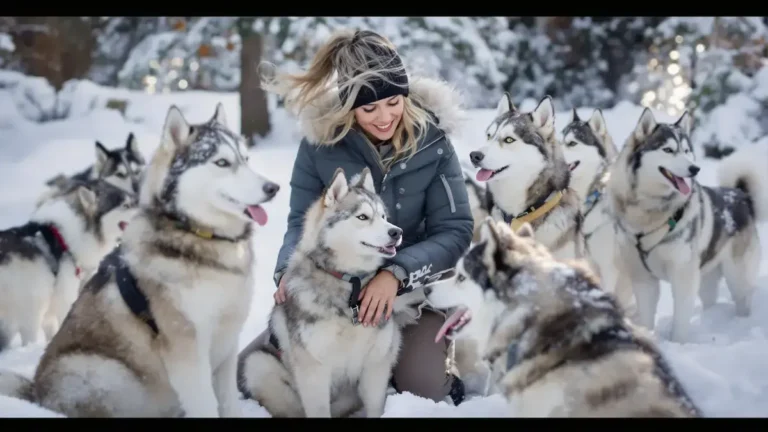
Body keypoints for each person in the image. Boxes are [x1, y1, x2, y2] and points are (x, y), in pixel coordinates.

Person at [248, 28, 474, 405]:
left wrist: (395, 274)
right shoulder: (321, 145)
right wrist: (287, 269)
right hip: (336, 291)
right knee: (251, 376)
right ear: (349, 106)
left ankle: (428, 360)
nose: (384, 117)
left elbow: (455, 230)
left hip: (413, 294)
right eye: (369, 109)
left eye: (393, 102)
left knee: (424, 388)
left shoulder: (433, 143)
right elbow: (301, 223)